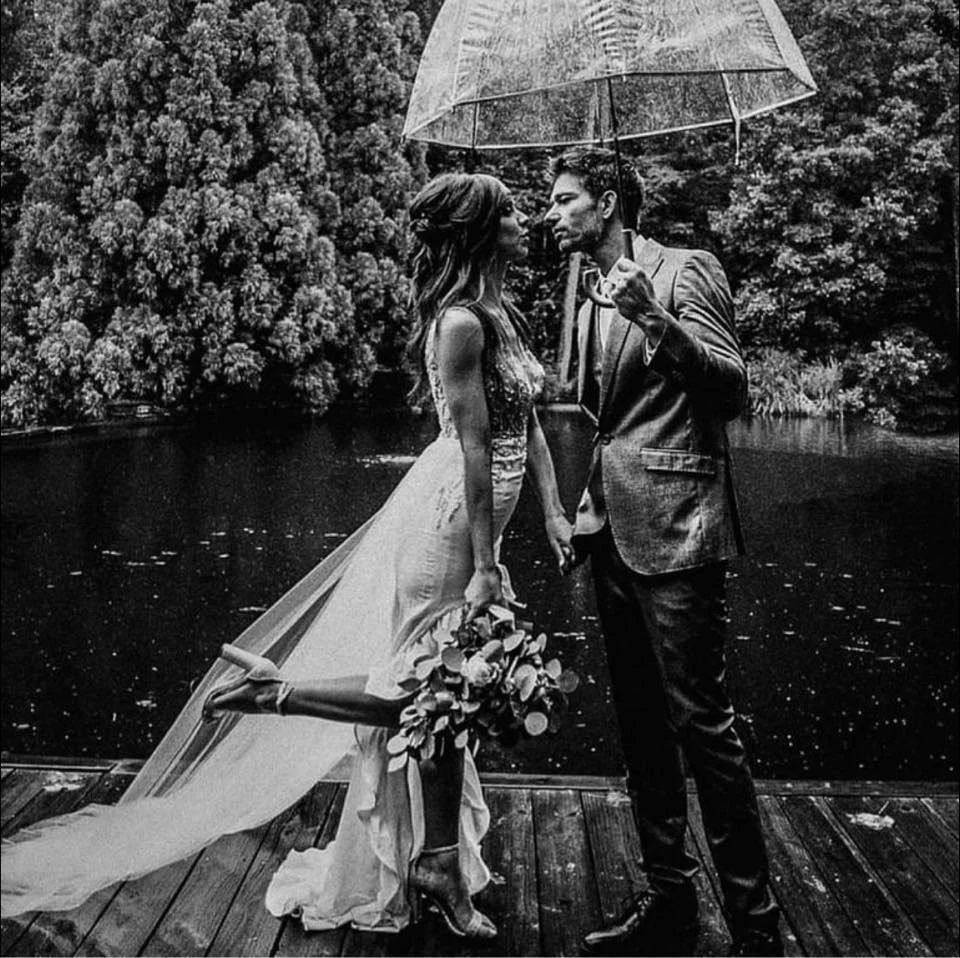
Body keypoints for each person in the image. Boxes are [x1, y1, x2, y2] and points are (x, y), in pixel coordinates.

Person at [1, 172, 574, 939]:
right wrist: (481, 562)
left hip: (484, 521)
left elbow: (526, 425)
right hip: (447, 525)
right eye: (506, 212)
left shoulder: (504, 311)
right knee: (427, 688)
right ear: (477, 230)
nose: (522, 218)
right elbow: (472, 445)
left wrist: (556, 511)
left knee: (449, 695)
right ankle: (285, 696)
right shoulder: (462, 324)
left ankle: (435, 855)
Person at [544, 147, 782, 958]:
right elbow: (606, 425)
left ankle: (757, 930)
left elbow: (733, 388)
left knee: (704, 730)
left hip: (681, 532)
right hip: (611, 533)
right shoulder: (582, 300)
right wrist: (582, 504)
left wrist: (655, 317)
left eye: (567, 199)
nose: (553, 212)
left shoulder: (684, 271)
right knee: (642, 727)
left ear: (607, 203)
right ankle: (673, 905)